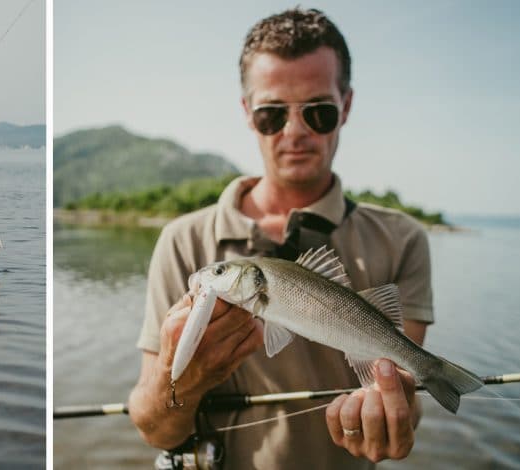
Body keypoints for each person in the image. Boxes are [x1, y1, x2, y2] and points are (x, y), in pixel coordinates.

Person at [128, 8, 433, 469]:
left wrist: (395, 417)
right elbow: (153, 431)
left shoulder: (402, 238)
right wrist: (182, 380)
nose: (295, 132)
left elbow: (407, 398)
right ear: (249, 114)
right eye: (273, 115)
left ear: (346, 107)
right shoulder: (181, 241)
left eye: (319, 112)